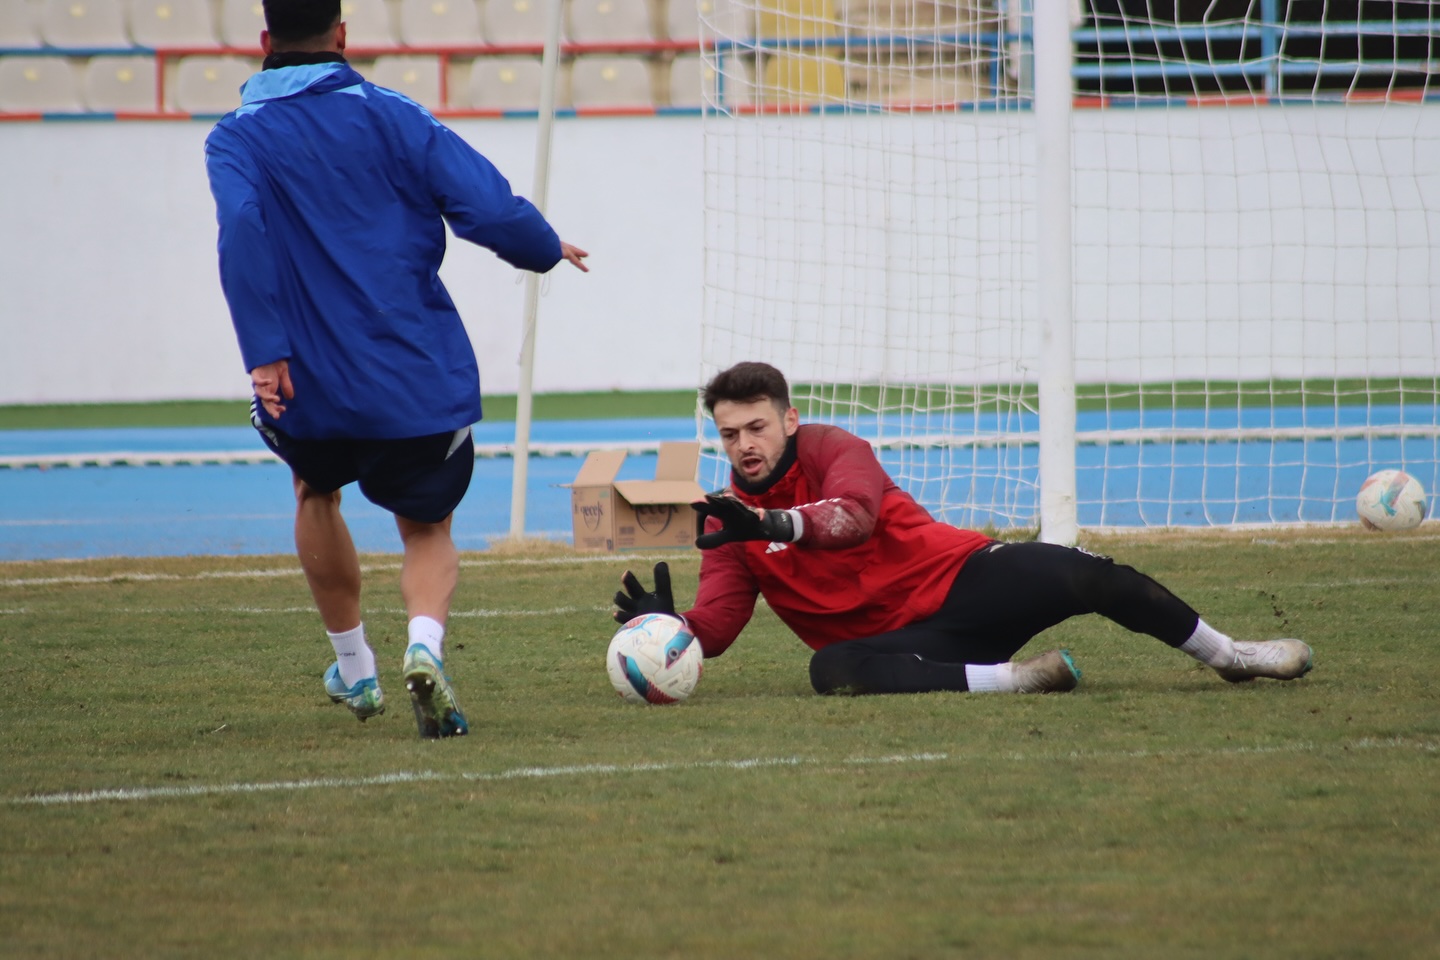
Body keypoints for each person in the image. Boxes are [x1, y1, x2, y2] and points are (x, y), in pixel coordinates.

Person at [206, 0, 589, 738]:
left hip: (308, 377)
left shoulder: (235, 138)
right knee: (427, 527)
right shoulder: (391, 114)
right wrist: (544, 247)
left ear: (263, 42)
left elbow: (241, 232)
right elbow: (482, 203)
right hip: (412, 370)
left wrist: (265, 351)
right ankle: (424, 645)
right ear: (342, 35)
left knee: (315, 489)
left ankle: (355, 669)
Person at [614, 362, 1314, 695]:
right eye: (730, 433)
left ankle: (1231, 655)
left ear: (788, 420)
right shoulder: (730, 519)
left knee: (1085, 573)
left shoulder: (834, 449)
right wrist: (670, 629)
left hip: (962, 579)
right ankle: (1019, 679)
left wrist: (771, 520)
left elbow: (851, 520)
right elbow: (723, 623)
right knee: (831, 669)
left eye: (757, 426)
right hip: (909, 640)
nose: (744, 444)